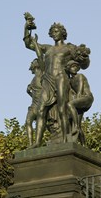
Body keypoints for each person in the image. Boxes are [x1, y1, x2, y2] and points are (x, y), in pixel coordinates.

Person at [23, 13, 90, 147]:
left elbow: (85, 64)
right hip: (47, 80)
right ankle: (37, 142)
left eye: (56, 31)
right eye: (52, 32)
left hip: (61, 78)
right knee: (41, 110)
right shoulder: (48, 48)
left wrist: (84, 57)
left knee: (62, 109)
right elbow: (29, 44)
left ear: (63, 33)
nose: (54, 33)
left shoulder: (69, 48)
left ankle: (66, 139)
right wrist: (26, 27)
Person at [66, 60, 94, 145]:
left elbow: (79, 91)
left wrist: (74, 103)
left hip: (86, 98)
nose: (74, 68)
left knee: (70, 104)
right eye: (72, 67)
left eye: (75, 67)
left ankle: (76, 127)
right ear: (68, 69)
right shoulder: (70, 81)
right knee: (78, 124)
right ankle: (83, 145)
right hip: (80, 102)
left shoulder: (80, 76)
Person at [24, 58, 43, 146]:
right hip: (33, 105)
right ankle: (31, 144)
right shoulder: (34, 78)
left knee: (40, 124)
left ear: (36, 64)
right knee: (28, 122)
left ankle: (37, 143)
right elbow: (35, 95)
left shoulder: (43, 76)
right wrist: (29, 92)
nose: (31, 64)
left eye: (32, 62)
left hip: (42, 105)